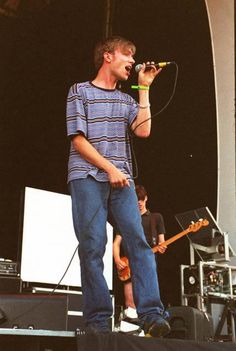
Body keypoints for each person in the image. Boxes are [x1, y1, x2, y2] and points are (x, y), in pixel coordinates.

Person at [66, 35, 170, 337]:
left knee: (138, 241)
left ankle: (151, 314)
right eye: (128, 55)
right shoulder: (80, 92)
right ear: (108, 56)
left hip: (122, 179)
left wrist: (144, 88)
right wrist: (109, 167)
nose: (133, 61)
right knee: (93, 246)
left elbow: (144, 130)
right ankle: (98, 321)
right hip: (87, 176)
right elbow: (78, 140)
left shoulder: (126, 99)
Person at [113, 184, 167, 320]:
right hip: (129, 262)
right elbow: (116, 243)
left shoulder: (156, 218)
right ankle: (132, 325)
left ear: (146, 199)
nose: (139, 203)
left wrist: (162, 247)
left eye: (141, 200)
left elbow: (162, 242)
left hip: (148, 261)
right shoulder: (127, 220)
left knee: (148, 292)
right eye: (136, 201)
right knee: (130, 301)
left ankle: (150, 321)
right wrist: (117, 260)